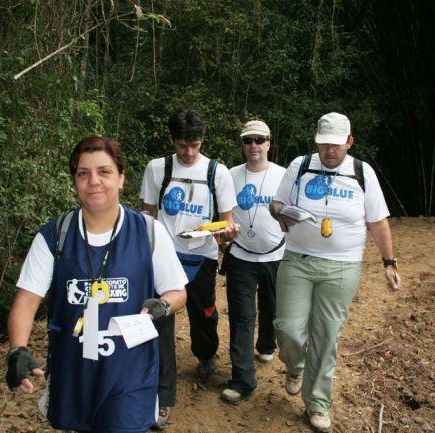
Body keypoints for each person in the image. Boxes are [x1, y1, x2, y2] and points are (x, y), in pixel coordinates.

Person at [6, 136, 188, 433]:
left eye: (104, 172)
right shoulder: (56, 235)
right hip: (74, 370)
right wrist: (17, 350)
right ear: (74, 180)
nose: (94, 181)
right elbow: (26, 300)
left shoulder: (148, 231)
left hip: (131, 371)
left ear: (121, 178)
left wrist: (163, 305)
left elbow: (178, 291)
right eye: (83, 173)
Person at [269, 113, 401, 432]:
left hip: (342, 266)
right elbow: (275, 204)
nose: (330, 150)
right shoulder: (300, 166)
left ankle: (317, 403)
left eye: (337, 145)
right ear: (316, 141)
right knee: (287, 328)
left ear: (349, 143)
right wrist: (283, 215)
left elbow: (378, 222)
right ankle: (296, 364)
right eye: (324, 144)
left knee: (327, 336)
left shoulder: (361, 173)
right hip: (298, 260)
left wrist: (389, 263)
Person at [140, 108, 239, 429]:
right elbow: (147, 215)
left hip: (202, 257)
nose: (189, 152)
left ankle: (206, 355)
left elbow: (226, 221)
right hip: (164, 258)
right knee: (161, 324)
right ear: (172, 140)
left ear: (202, 140)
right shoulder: (158, 169)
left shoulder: (217, 172)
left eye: (194, 144)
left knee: (204, 314)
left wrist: (227, 232)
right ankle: (162, 397)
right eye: (183, 145)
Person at [219, 120, 286, 403]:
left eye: (260, 140)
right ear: (243, 145)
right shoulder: (229, 175)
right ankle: (242, 379)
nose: (254, 145)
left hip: (277, 255)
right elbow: (221, 214)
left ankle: (267, 344)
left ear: (269, 143)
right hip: (241, 256)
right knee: (242, 316)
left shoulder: (284, 176)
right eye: (248, 141)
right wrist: (224, 238)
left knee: (272, 308)